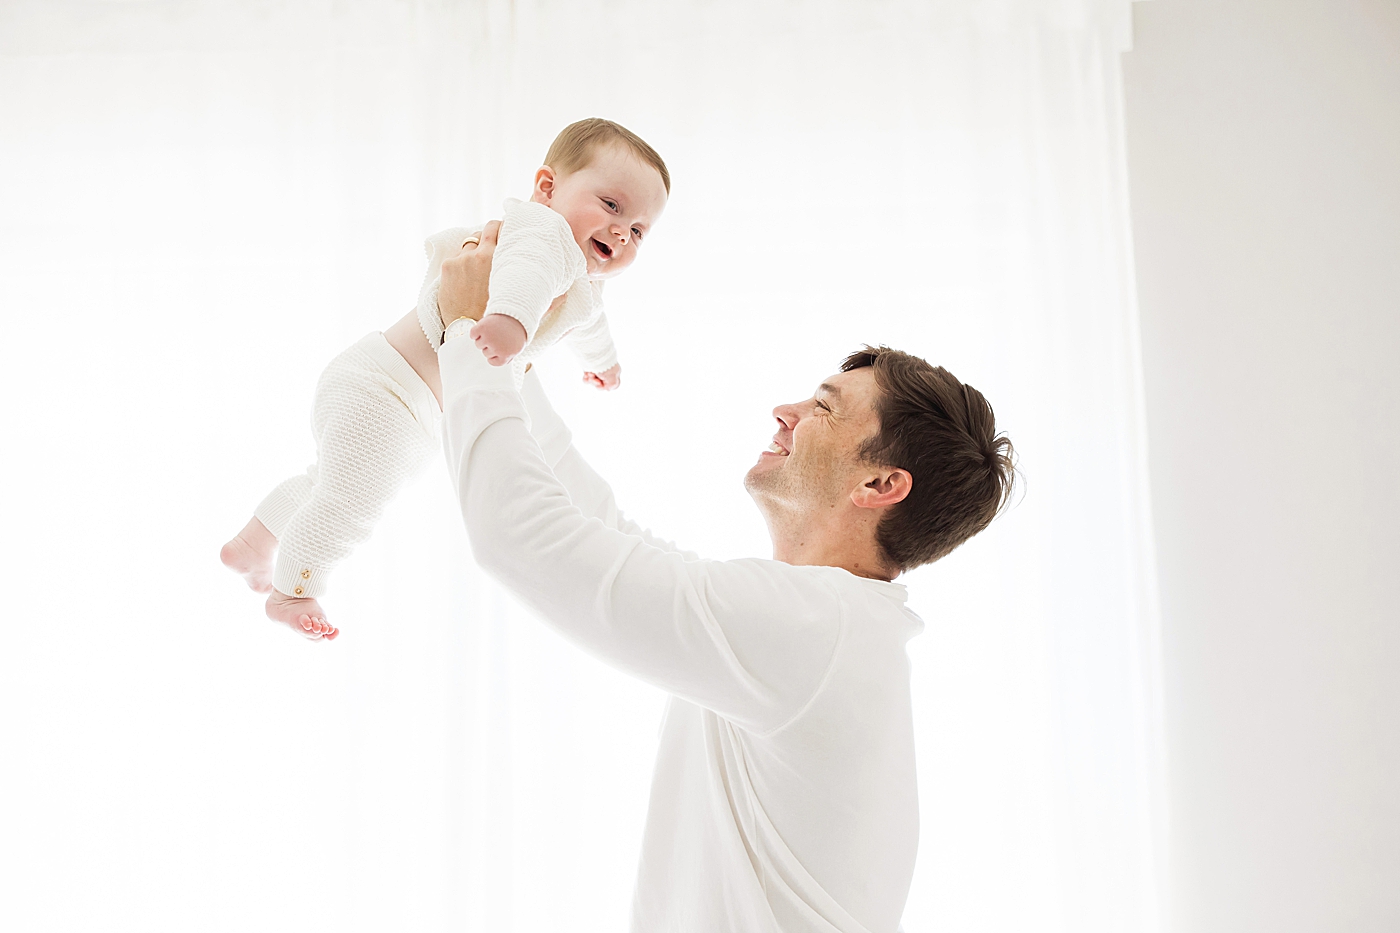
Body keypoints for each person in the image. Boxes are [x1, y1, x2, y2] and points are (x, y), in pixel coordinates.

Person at [434, 225, 1017, 932]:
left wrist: (468, 335)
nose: (786, 411)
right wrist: (509, 357)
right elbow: (606, 534)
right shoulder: (826, 625)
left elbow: (520, 537)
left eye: (824, 407)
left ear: (880, 482)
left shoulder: (814, 625)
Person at [219, 118, 670, 638]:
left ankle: (252, 547)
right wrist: (507, 322)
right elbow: (526, 275)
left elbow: (590, 322)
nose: (622, 232)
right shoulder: (542, 233)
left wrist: (602, 361)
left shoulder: (584, 281)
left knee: (327, 483)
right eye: (612, 206)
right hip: (385, 392)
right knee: (352, 502)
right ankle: (292, 590)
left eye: (638, 230)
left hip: (399, 398)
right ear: (547, 188)